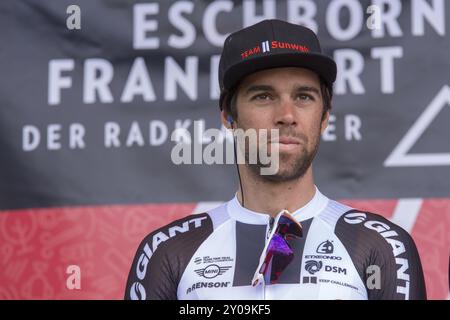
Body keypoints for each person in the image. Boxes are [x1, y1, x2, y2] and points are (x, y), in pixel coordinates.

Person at [124, 19, 426, 300]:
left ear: (324, 118)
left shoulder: (381, 248)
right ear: (229, 116)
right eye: (264, 96)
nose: (286, 116)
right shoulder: (169, 252)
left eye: (304, 96)